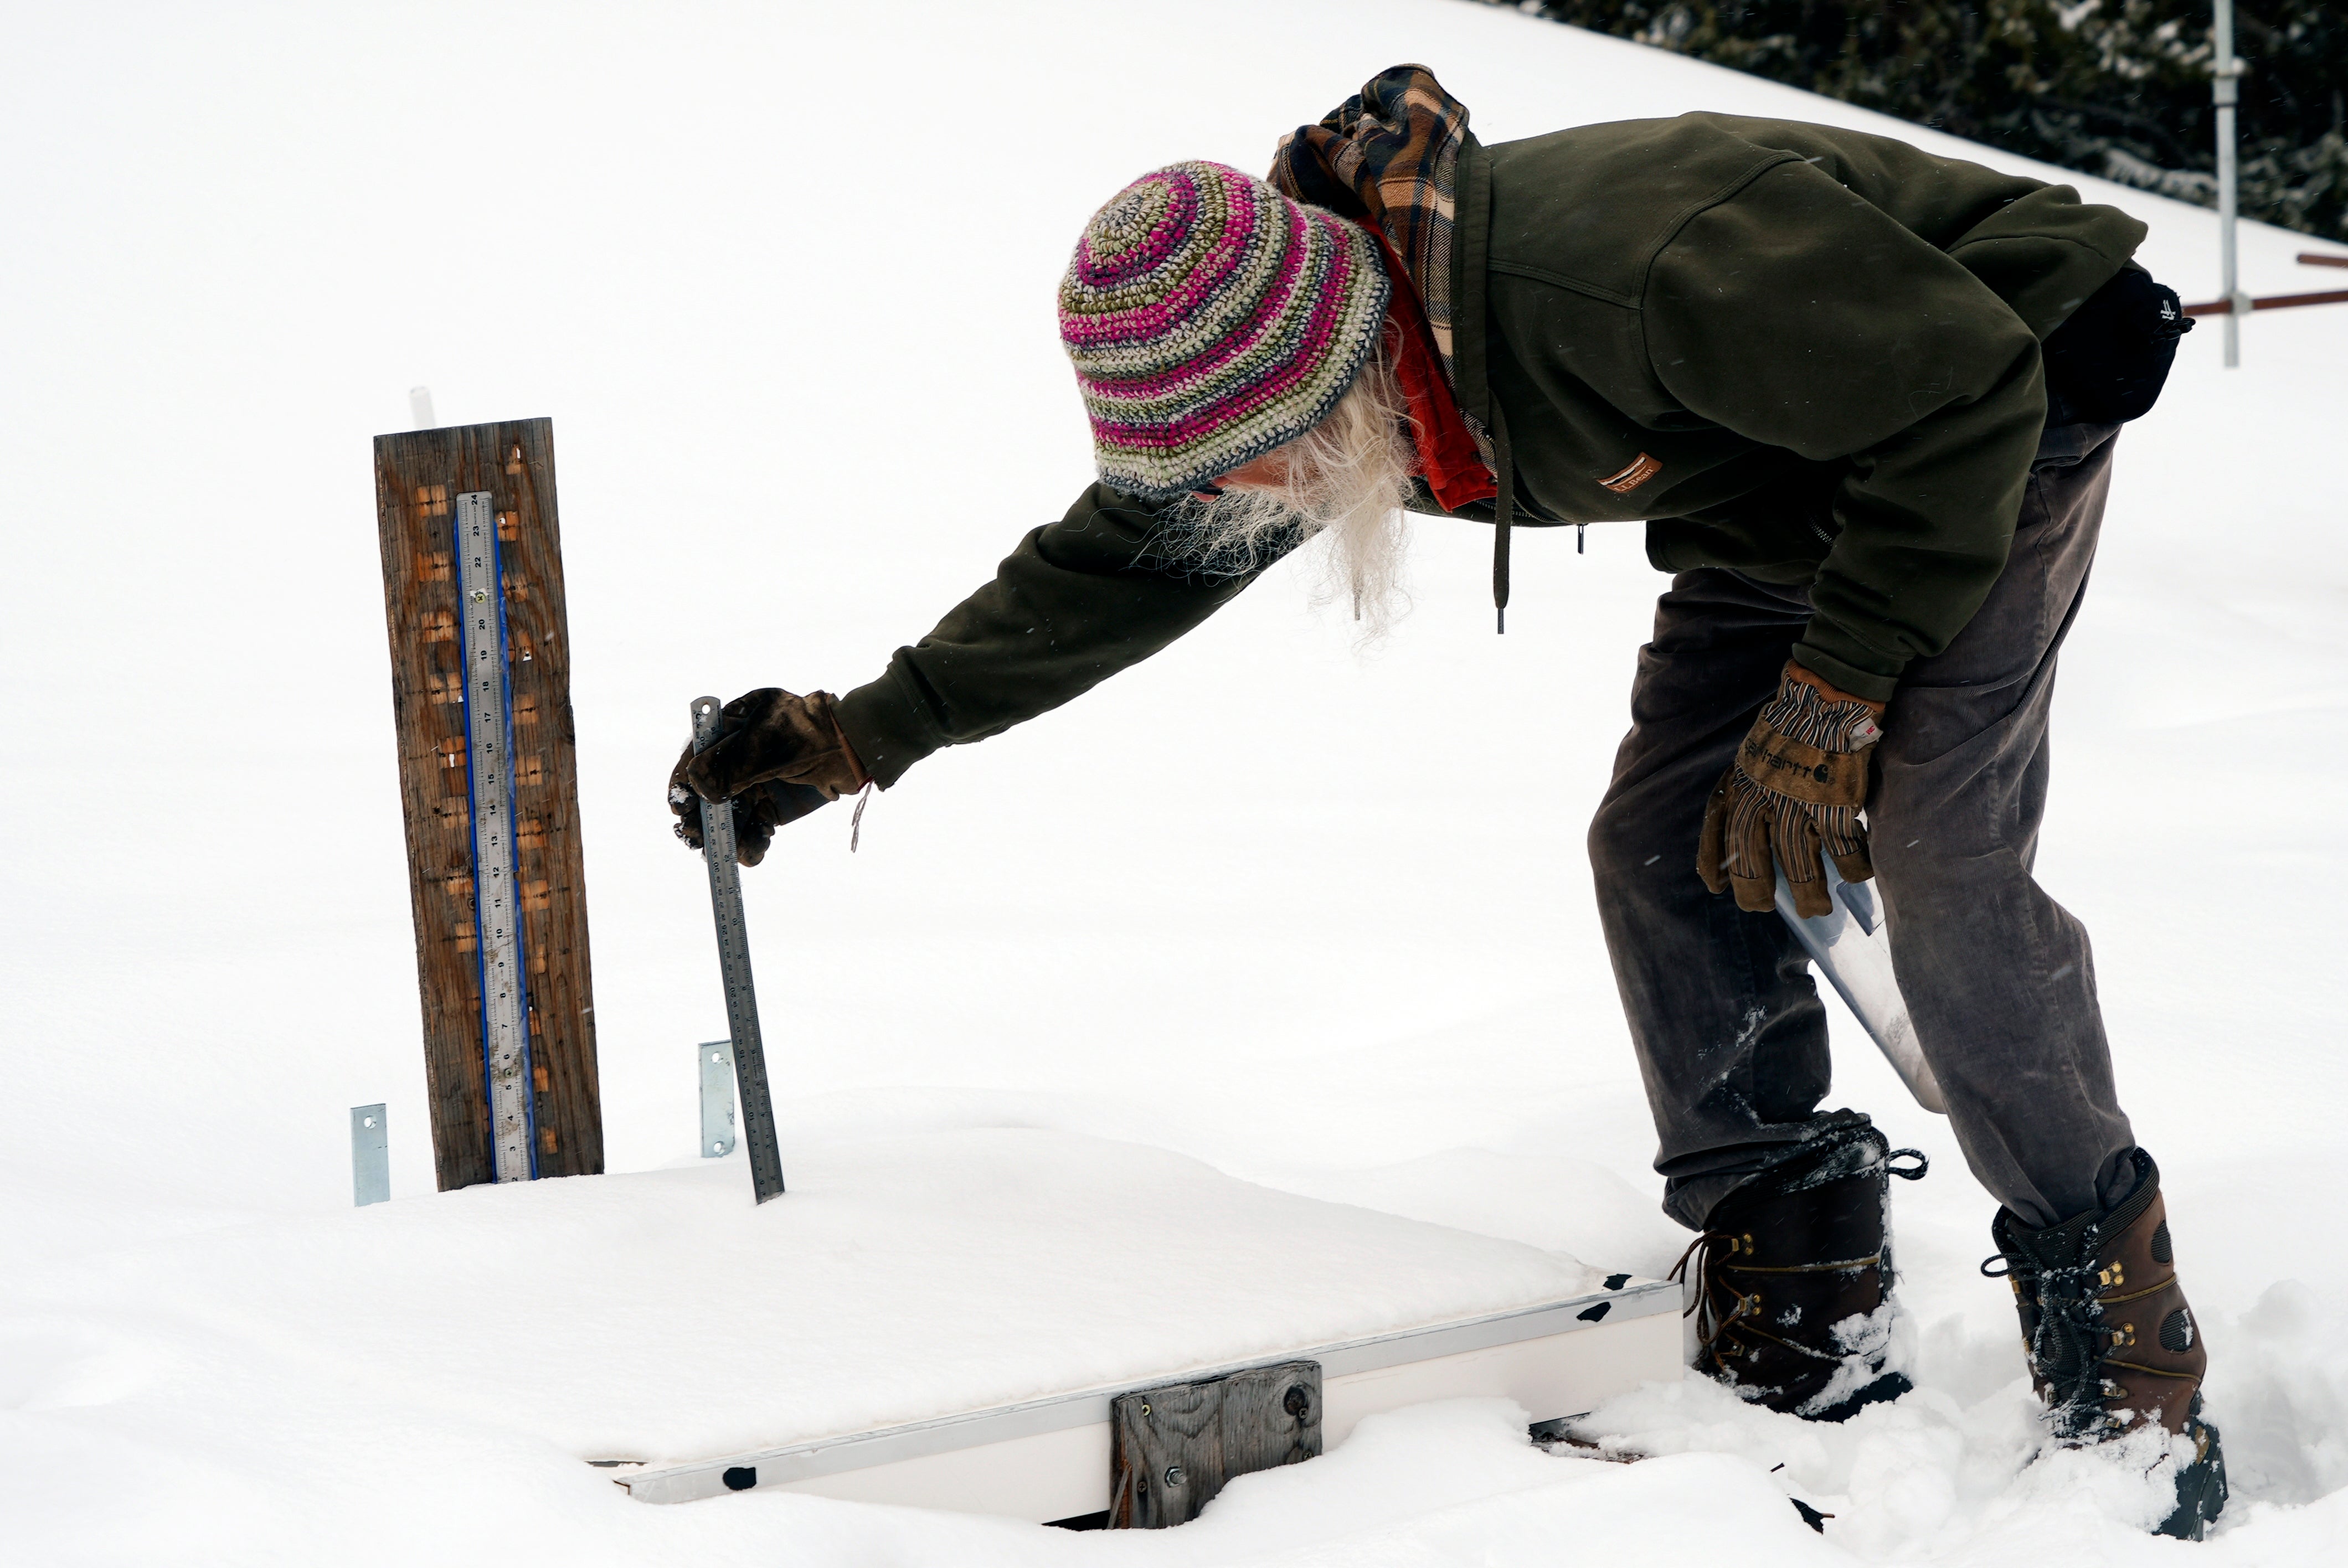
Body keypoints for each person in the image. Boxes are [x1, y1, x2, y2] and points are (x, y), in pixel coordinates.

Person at [667, 66, 2221, 1536]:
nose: (1239, 516)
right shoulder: (1340, 349)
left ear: (1320, 393)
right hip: (1776, 470)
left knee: (1945, 857)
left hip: (1988, 414)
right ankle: (1801, 1284)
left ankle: (2128, 1373)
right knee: (1659, 847)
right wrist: (867, 733)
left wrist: (1840, 688)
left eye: (1244, 477)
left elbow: (1959, 391)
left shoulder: (1615, 286)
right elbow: (1129, 558)